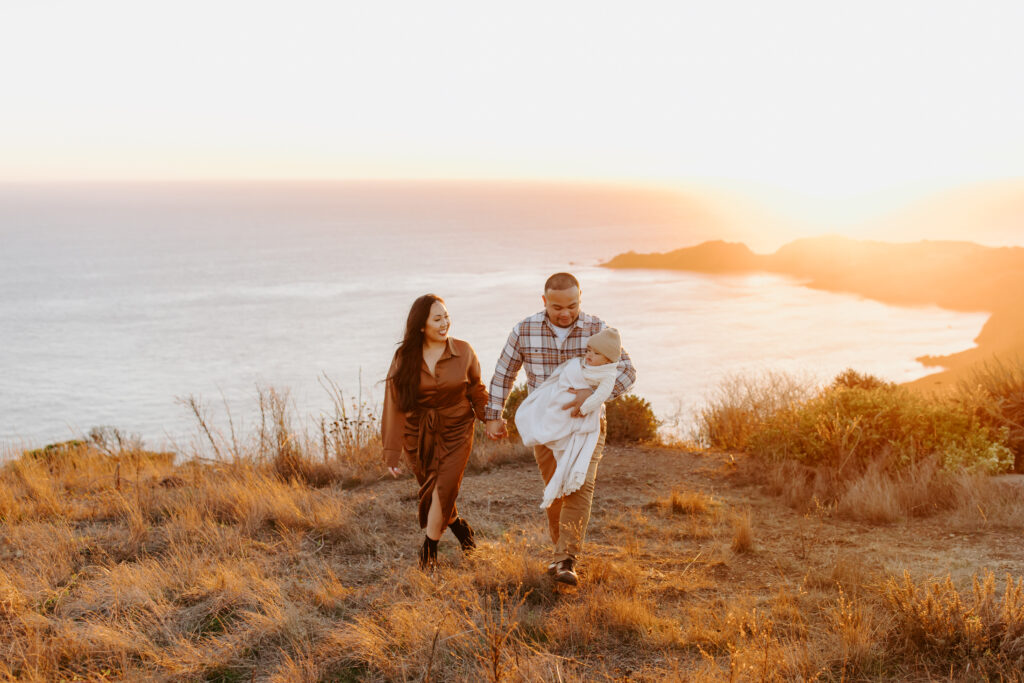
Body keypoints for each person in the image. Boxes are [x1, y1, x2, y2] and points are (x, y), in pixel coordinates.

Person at [485, 274, 636, 586]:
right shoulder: (524, 330)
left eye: (573, 305)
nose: (566, 313)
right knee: (556, 492)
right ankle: (559, 557)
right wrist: (493, 415)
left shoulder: (597, 328)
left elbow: (628, 372)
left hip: (588, 425)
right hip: (547, 427)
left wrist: (592, 397)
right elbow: (504, 373)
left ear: (581, 298)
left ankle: (566, 559)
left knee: (580, 487)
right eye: (557, 307)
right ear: (544, 302)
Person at [382, 294, 488, 569]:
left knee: (443, 488)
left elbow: (476, 388)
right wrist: (392, 452)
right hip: (418, 436)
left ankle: (429, 551)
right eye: (437, 318)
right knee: (434, 490)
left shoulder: (464, 351)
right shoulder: (404, 357)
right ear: (421, 325)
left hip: (457, 428)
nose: (445, 323)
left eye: (446, 317)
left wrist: (491, 419)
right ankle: (461, 530)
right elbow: (394, 404)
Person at [514, 328, 622, 510]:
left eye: (596, 353)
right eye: (588, 350)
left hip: (578, 413)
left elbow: (600, 396)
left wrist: (585, 406)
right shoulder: (580, 364)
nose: (589, 355)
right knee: (548, 417)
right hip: (560, 402)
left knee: (578, 489)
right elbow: (565, 373)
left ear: (608, 359)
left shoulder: (607, 375)